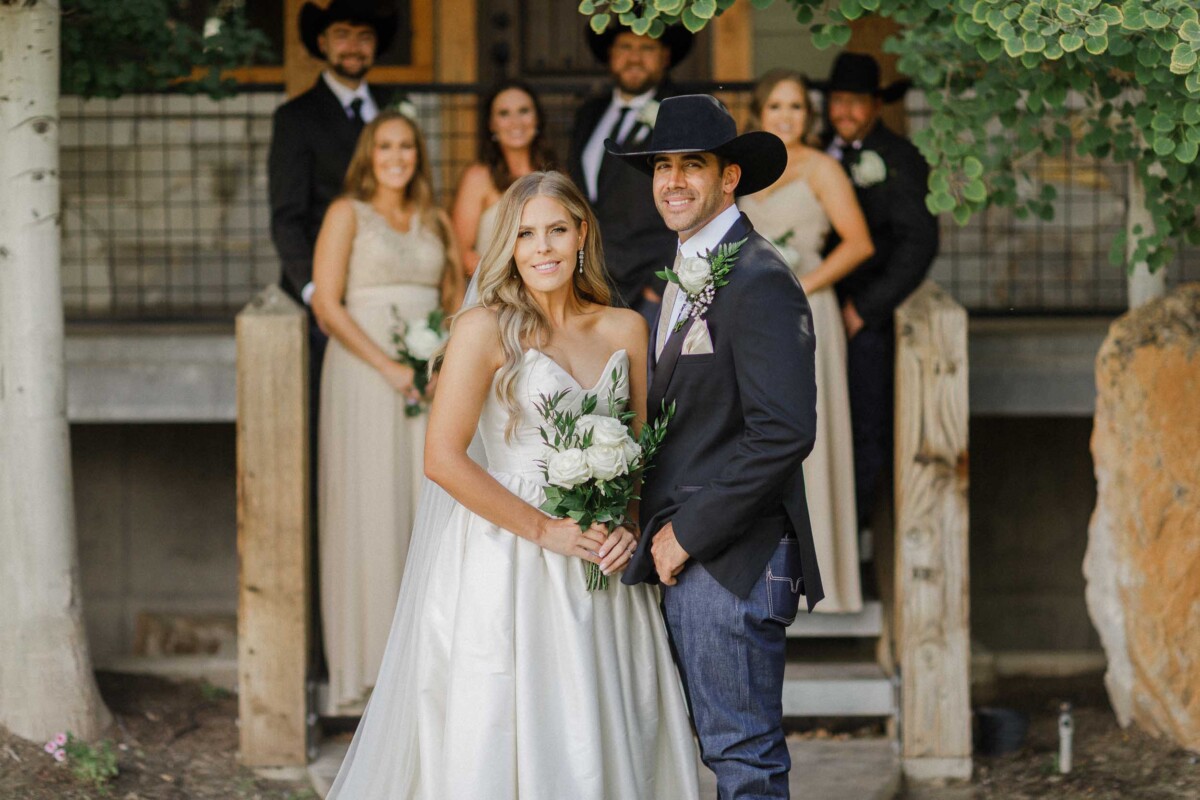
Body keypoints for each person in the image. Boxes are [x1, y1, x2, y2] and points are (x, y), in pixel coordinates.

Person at [326, 171, 700, 799]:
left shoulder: (626, 328)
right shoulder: (483, 329)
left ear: (582, 234)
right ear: (508, 245)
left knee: (604, 715)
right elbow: (443, 458)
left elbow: (638, 455)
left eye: (557, 230)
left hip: (600, 559)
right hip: (506, 556)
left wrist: (627, 525)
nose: (543, 247)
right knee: (505, 716)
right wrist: (544, 529)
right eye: (525, 234)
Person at [610, 94, 824, 797]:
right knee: (715, 755)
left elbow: (784, 431)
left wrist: (684, 536)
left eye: (691, 166)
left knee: (743, 760)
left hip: (729, 560)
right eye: (662, 166)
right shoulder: (687, 270)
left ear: (729, 177)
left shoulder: (759, 278)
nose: (672, 180)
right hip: (693, 557)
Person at [311, 109, 463, 714]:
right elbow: (327, 304)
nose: (396, 156)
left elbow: (455, 300)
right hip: (364, 376)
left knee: (426, 506)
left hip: (427, 382)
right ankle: (370, 668)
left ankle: (427, 662)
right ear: (369, 156)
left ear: (418, 155)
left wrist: (441, 364)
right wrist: (387, 364)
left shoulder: (437, 219)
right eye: (385, 146)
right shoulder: (346, 213)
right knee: (371, 506)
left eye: (406, 146)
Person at [266, 0, 397, 687]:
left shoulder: (392, 115)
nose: (353, 44)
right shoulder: (296, 119)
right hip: (333, 324)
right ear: (322, 42)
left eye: (364, 34)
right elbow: (287, 220)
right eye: (342, 33)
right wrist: (318, 297)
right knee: (340, 478)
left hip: (399, 323)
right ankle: (336, 650)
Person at [739, 69, 874, 614]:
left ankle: (825, 583)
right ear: (759, 113)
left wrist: (801, 285)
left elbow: (858, 244)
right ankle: (763, 571)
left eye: (795, 107)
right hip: (751, 315)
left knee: (811, 436)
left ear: (807, 116)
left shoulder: (822, 168)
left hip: (807, 310)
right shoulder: (743, 170)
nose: (786, 116)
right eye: (776, 106)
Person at [819, 52, 939, 528]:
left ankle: (857, 533)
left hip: (864, 314)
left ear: (876, 106)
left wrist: (864, 310)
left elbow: (921, 243)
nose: (844, 112)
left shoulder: (900, 158)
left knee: (864, 423)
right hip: (818, 302)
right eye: (837, 101)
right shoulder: (817, 149)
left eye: (855, 102)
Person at [568, 21, 693, 321]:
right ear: (611, 53)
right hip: (589, 284)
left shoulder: (681, 113)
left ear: (665, 56)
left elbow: (697, 200)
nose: (635, 57)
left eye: (646, 48)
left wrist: (660, 284)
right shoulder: (589, 114)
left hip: (650, 288)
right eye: (626, 46)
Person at [451, 80, 556, 278]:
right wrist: (509, 282)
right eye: (504, 113)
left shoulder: (556, 175)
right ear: (491, 124)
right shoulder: (478, 177)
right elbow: (460, 251)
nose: (515, 121)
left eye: (523, 111)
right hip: (494, 293)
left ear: (537, 119)